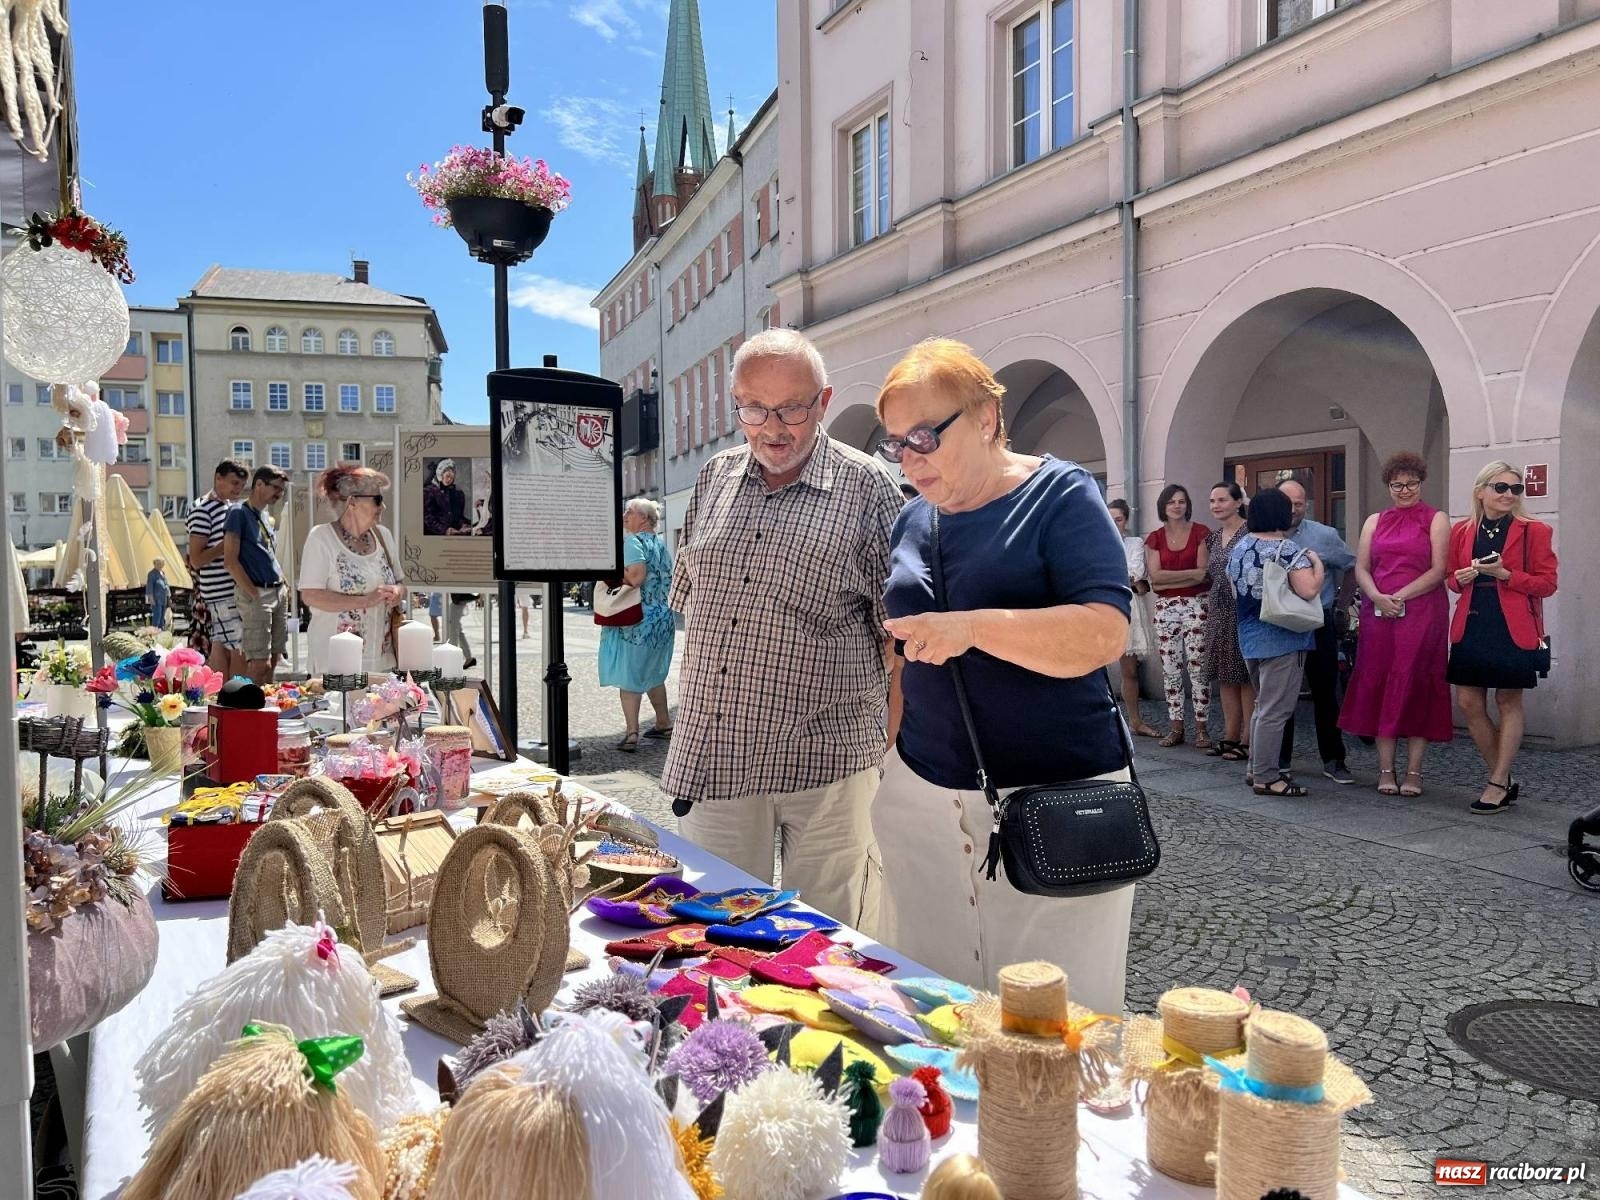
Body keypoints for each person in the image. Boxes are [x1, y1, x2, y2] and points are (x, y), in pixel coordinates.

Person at [873, 339, 1134, 1013]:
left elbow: (1105, 633)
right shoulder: (912, 516)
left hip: (1053, 796)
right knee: (932, 1004)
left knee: (1055, 1017)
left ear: (986, 416)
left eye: (925, 436)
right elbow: (906, 653)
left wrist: (972, 628)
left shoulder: (1059, 494)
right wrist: (888, 759)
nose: (910, 458)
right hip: (922, 796)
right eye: (895, 443)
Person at [664, 328, 903, 933]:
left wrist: (891, 750)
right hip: (717, 755)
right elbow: (694, 605)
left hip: (827, 760)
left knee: (829, 942)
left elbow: (897, 639)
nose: (773, 427)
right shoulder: (715, 477)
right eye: (753, 408)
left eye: (792, 408)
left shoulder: (868, 486)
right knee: (714, 936)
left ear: (823, 403)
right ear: (735, 404)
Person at [1446, 462, 1558, 814]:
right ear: (1481, 491)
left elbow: (1547, 583)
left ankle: (1496, 784)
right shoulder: (1462, 531)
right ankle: (1503, 776)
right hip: (1473, 620)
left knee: (1508, 702)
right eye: (1501, 487)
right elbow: (1450, 577)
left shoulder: (1533, 531)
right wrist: (1460, 579)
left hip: (1512, 625)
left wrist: (1506, 574)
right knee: (1468, 703)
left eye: (1516, 489)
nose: (1509, 494)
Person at [1338, 451, 1452, 795]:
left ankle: (1414, 772)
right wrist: (1376, 596)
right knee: (1381, 684)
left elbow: (1438, 569)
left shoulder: (1436, 519)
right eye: (1397, 484)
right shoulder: (1374, 521)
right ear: (1388, 486)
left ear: (1421, 483)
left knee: (1417, 683)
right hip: (1379, 614)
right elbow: (1361, 567)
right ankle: (1385, 769)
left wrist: (1399, 596)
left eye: (1411, 483)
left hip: (1421, 613)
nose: (1405, 490)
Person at [1227, 488, 1325, 797]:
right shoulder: (1287, 549)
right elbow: (1308, 590)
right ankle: (1268, 777)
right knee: (1275, 710)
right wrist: (1317, 563)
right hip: (1284, 637)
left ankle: (1255, 769)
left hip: (1249, 636)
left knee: (1261, 706)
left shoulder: (1239, 547)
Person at [1276, 478, 1359, 784]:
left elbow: (1352, 566)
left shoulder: (1324, 535)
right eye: (1288, 503)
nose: (1294, 509)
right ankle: (1280, 760)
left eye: (1299, 503)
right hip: (1280, 624)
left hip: (1318, 620)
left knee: (1325, 693)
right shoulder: (1264, 535)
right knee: (1281, 695)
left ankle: (1334, 759)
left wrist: (1342, 604)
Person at [297, 465, 406, 675]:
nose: (383, 506)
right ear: (352, 501)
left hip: (382, 662)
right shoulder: (321, 538)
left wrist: (397, 592)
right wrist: (364, 601)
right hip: (337, 665)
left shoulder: (383, 536)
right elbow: (310, 596)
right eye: (377, 499)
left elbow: (401, 582)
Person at [600, 498, 676, 752]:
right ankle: (664, 723)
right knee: (654, 672)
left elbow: (636, 577)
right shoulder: (661, 544)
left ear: (643, 518)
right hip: (663, 618)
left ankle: (632, 734)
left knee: (629, 676)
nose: (624, 515)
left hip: (637, 618)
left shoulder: (632, 542)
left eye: (629, 512)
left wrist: (609, 574)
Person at [1145, 484, 1212, 749]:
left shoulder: (1201, 533)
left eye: (1181, 501)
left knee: (1198, 667)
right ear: (1163, 506)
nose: (1177, 506)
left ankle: (1202, 728)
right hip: (1166, 608)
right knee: (1171, 668)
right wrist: (1189, 575)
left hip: (1197, 604)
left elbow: (1204, 573)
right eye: (1171, 501)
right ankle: (1176, 728)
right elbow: (1155, 580)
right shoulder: (1155, 538)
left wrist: (1170, 578)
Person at [222, 466, 290, 685]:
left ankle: (266, 709)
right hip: (258, 592)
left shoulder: (264, 515)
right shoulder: (238, 512)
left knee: (274, 658)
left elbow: (267, 553)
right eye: (276, 488)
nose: (279, 494)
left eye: (282, 489)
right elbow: (230, 560)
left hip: (277, 590)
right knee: (259, 664)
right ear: (259, 484)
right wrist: (253, 593)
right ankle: (244, 711)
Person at [1201, 482, 1252, 763]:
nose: (1216, 505)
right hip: (1218, 612)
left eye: (1222, 500)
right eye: (1212, 500)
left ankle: (1247, 739)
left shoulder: (1250, 532)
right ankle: (1230, 734)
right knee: (1225, 675)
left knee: (1245, 677)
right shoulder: (1213, 537)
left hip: (1242, 610)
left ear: (1237, 502)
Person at [186, 458, 249, 675]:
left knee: (224, 644)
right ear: (218, 478)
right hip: (220, 591)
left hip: (230, 588)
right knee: (237, 647)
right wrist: (225, 546)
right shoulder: (202, 509)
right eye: (233, 483)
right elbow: (196, 559)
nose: (238, 489)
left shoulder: (230, 507)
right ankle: (234, 698)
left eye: (241, 485)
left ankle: (224, 698)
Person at [1107, 498, 1160, 737]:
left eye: (1118, 519)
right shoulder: (1093, 541)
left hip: (1128, 608)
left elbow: (1135, 573)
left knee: (1130, 671)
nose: (1114, 523)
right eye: (1110, 518)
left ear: (1125, 520)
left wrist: (1112, 577)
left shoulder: (1135, 543)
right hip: (1102, 607)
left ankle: (1135, 721)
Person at [423, 459, 470, 536]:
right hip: (435, 535)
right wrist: (445, 530)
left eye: (452, 478)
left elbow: (457, 516)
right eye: (447, 476)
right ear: (440, 475)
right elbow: (428, 518)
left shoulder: (455, 493)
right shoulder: (428, 492)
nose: (449, 480)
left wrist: (463, 524)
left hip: (455, 532)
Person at [446, 593, 478, 670]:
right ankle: (468, 657)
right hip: (459, 599)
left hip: (459, 599)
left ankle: (453, 660)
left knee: (453, 630)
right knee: (458, 631)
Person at [145, 558, 170, 630]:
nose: (160, 565)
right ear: (154, 564)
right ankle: (154, 632)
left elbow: (166, 585)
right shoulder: (151, 574)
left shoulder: (163, 573)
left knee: (162, 617)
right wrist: (151, 599)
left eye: (161, 564)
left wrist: (169, 597)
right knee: (157, 616)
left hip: (163, 598)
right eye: (158, 564)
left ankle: (161, 632)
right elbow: (149, 586)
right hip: (156, 599)